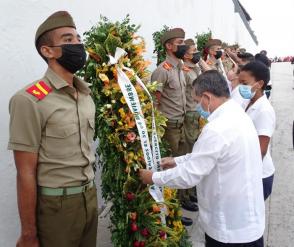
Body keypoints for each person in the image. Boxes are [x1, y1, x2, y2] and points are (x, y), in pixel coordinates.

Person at [140, 70, 265, 247]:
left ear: (207, 97)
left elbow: (190, 175)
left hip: (229, 229)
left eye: (197, 102)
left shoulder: (217, 128)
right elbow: (212, 155)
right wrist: (177, 161)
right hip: (246, 220)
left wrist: (153, 177)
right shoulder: (237, 115)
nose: (198, 107)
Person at [8, 11, 97, 247]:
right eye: (68, 40)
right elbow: (25, 172)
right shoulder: (29, 100)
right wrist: (28, 233)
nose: (78, 44)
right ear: (47, 51)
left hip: (89, 197)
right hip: (57, 208)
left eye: (78, 38)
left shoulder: (85, 95)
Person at [151, 28, 193, 226]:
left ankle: (181, 203)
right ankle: (171, 213)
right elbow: (155, 103)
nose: (183, 45)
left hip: (182, 125)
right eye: (180, 42)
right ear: (168, 46)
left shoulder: (180, 68)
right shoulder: (162, 71)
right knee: (171, 171)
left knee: (182, 167)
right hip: (169, 129)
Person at [238, 61, 276, 200]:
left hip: (257, 176)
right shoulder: (248, 102)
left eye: (244, 83)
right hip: (248, 172)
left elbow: (262, 149)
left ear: (259, 84)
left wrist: (246, 176)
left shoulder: (264, 110)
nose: (240, 87)